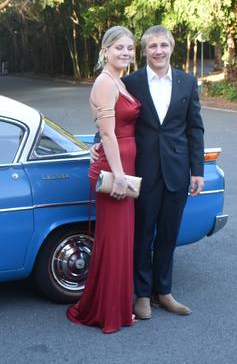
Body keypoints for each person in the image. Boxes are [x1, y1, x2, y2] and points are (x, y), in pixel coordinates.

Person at [90, 25, 205, 320]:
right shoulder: (130, 81)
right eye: (152, 46)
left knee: (168, 234)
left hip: (178, 172)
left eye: (163, 45)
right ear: (145, 51)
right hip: (143, 171)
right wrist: (95, 144)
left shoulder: (187, 82)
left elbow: (195, 128)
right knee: (142, 234)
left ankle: (163, 292)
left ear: (171, 47)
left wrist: (197, 171)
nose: (158, 51)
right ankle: (142, 295)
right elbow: (111, 118)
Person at [66, 26, 140, 334]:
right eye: (119, 48)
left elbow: (105, 132)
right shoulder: (104, 82)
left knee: (120, 241)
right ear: (105, 51)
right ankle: (107, 312)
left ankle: (119, 308)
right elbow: (108, 132)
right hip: (114, 170)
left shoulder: (118, 81)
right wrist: (120, 175)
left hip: (121, 162)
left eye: (129, 48)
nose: (125, 53)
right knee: (113, 241)